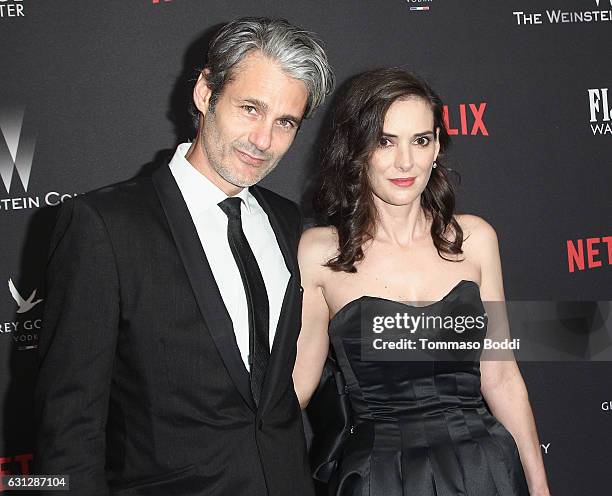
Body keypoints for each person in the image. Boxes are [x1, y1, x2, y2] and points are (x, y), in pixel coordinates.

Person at [33, 17, 334, 496]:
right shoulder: (105, 225)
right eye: (250, 108)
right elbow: (68, 426)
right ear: (204, 92)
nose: (262, 140)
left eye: (285, 122)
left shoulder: (287, 221)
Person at [293, 69, 550, 495]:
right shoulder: (320, 254)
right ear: (357, 149)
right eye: (385, 141)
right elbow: (297, 388)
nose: (406, 162)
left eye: (421, 140)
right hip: (381, 478)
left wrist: (539, 488)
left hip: (484, 469)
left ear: (436, 149)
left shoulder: (476, 240)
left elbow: (501, 377)